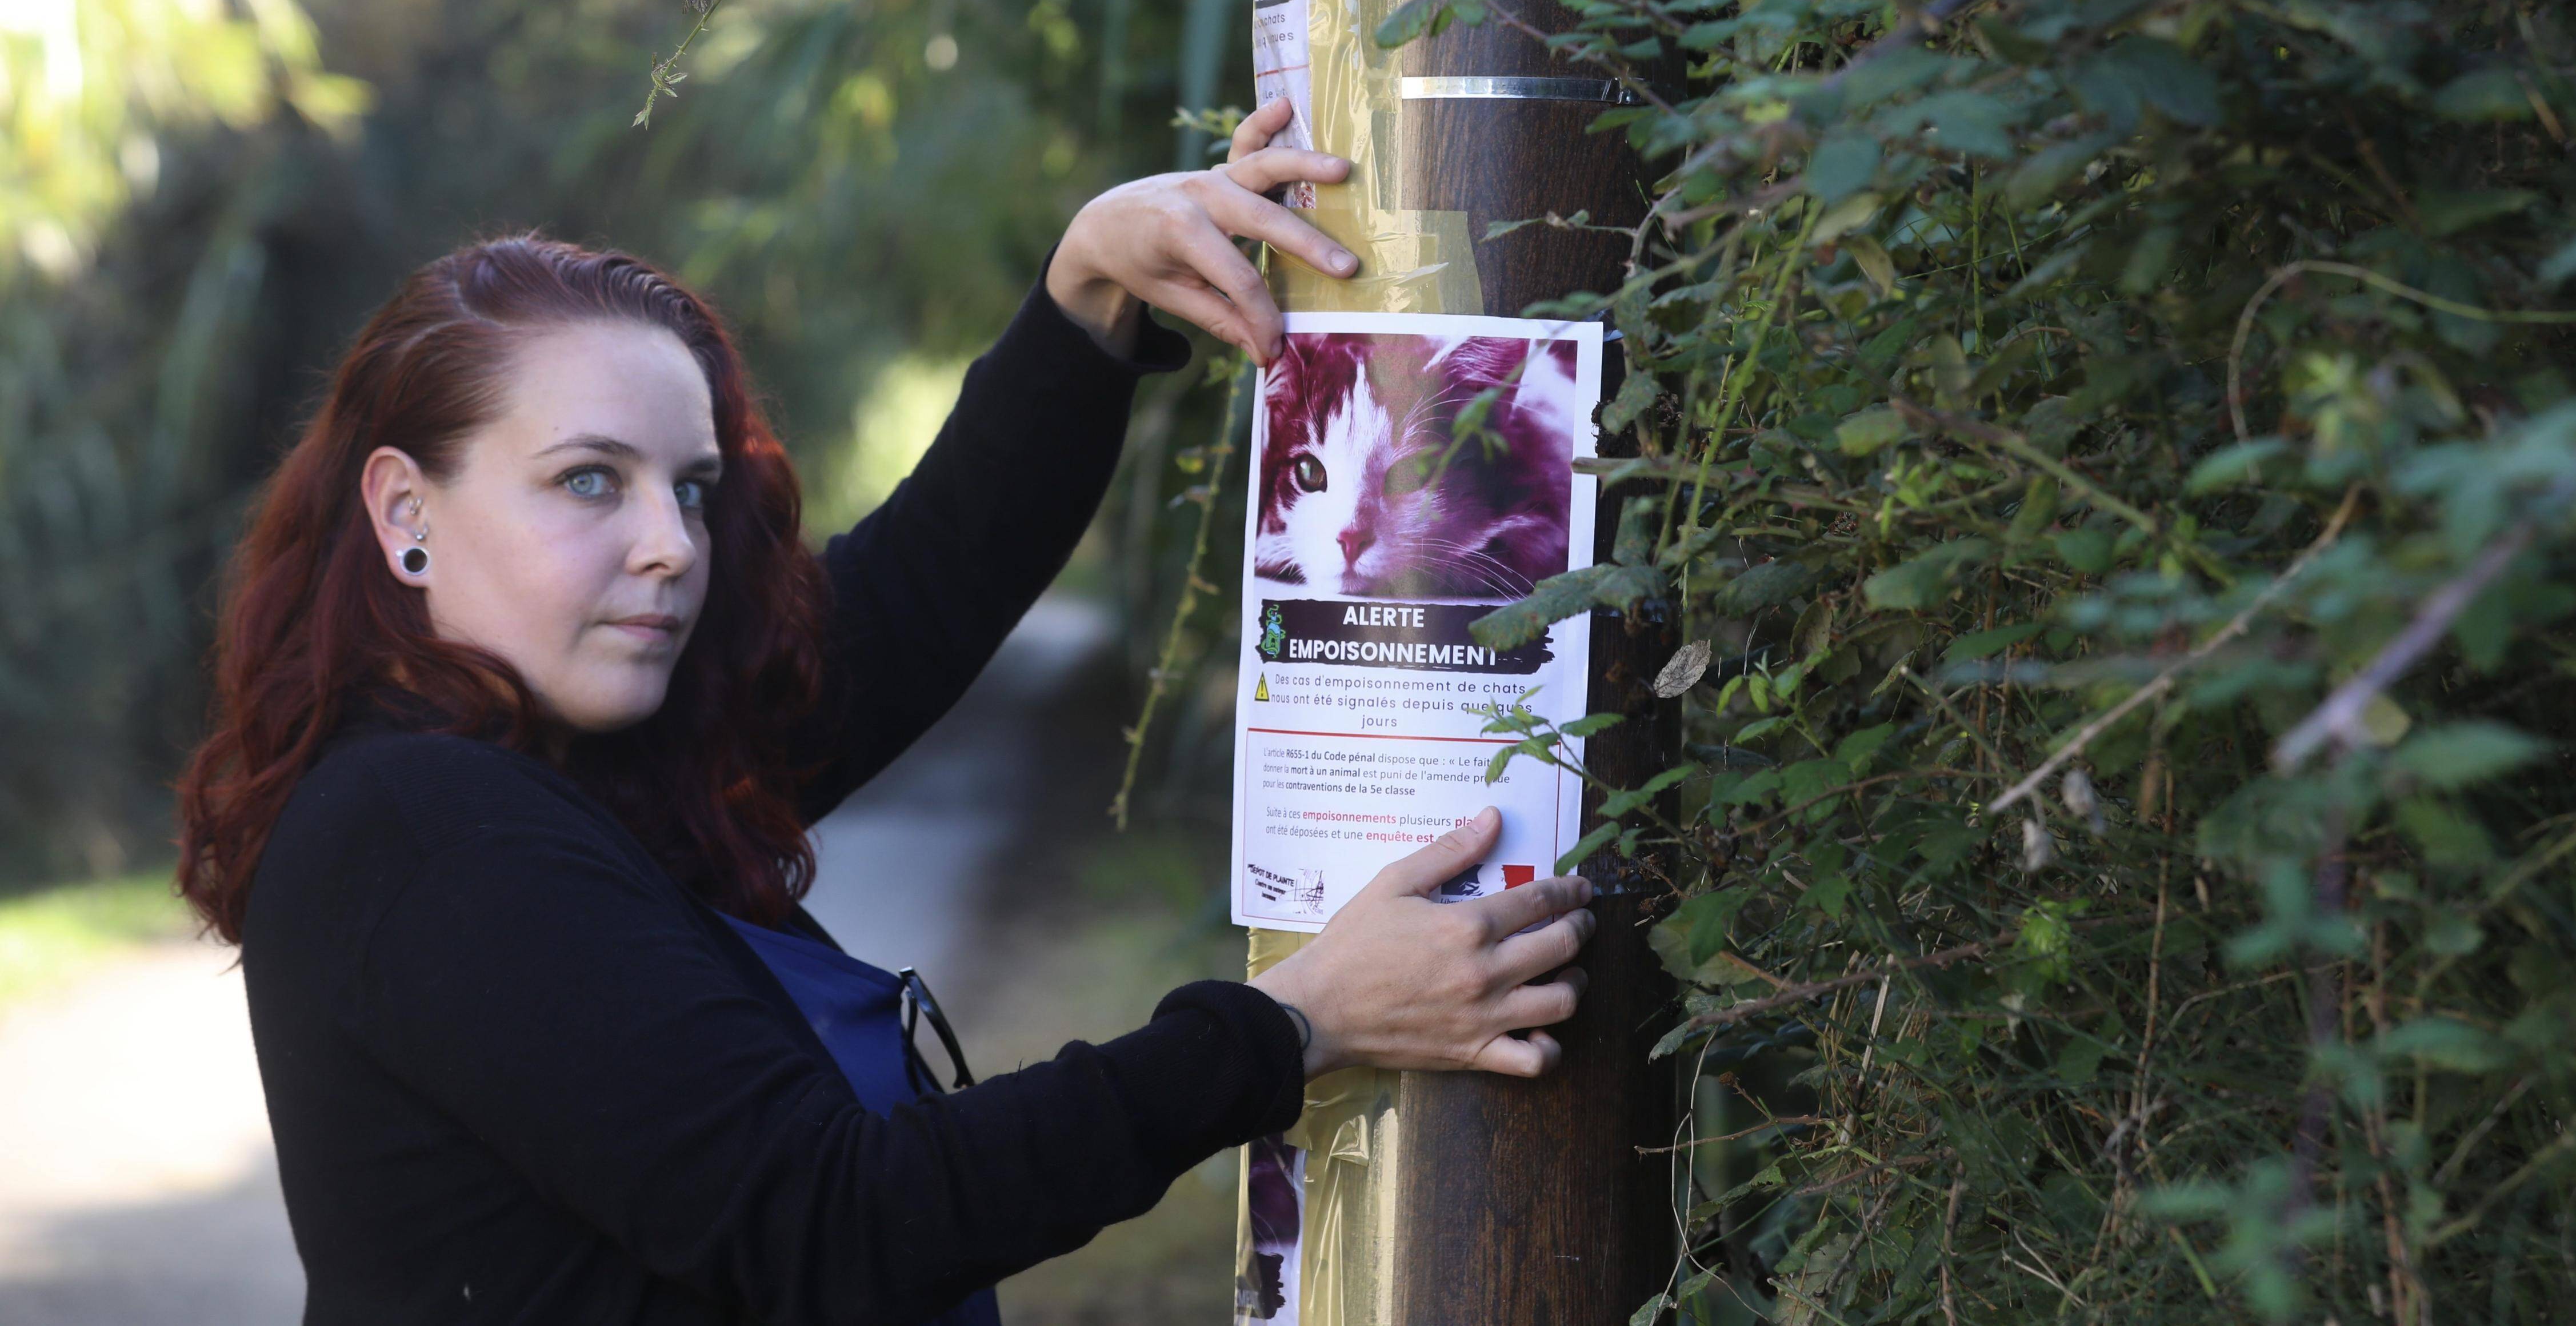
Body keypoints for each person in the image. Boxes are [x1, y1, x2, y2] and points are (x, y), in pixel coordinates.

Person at [175, 99, 1595, 1325]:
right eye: (589, 479)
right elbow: (835, 1217)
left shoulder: (575, 771)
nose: (672, 541)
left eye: (691, 486)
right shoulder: (418, 829)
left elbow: (908, 603)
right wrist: (1289, 1026)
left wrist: (1089, 296)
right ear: (405, 511)